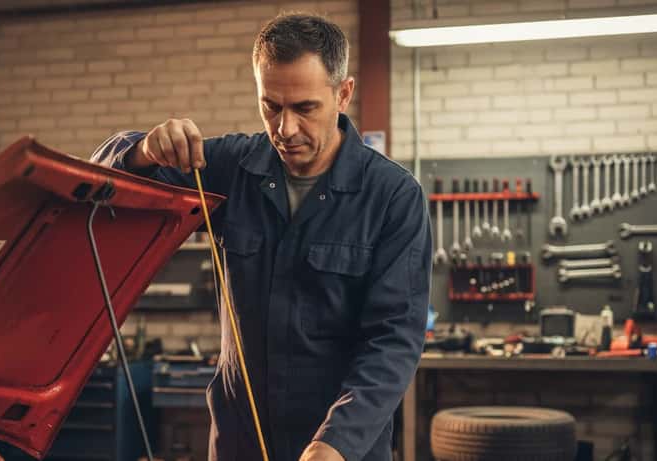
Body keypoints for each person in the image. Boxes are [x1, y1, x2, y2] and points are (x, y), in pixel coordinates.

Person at [91, 13, 431, 461]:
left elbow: (393, 341)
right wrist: (142, 151)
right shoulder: (230, 168)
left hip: (342, 447)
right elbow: (99, 187)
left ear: (343, 94)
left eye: (305, 108)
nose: (285, 129)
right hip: (239, 442)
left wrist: (337, 442)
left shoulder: (392, 196)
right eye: (271, 106)